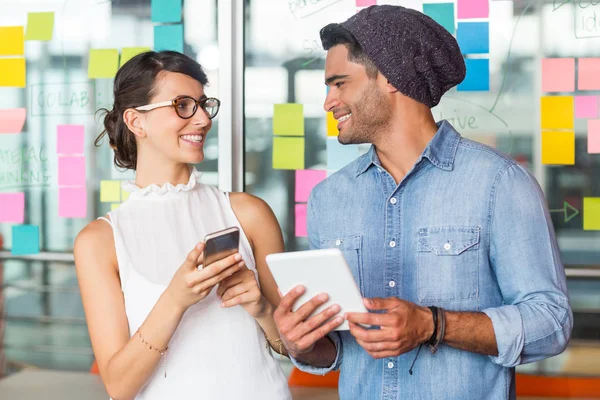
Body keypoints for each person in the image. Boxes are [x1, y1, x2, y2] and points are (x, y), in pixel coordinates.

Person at [273, 5, 572, 400]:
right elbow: (338, 349)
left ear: (392, 78)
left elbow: (551, 323)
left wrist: (434, 325)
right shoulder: (329, 199)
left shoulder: (498, 183)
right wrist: (302, 343)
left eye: (340, 83)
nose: (329, 102)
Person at [74, 50, 291, 400]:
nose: (203, 119)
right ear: (136, 121)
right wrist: (175, 299)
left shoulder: (250, 214)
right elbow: (119, 386)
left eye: (204, 104)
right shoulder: (99, 241)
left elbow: (296, 349)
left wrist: (262, 309)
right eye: (183, 105)